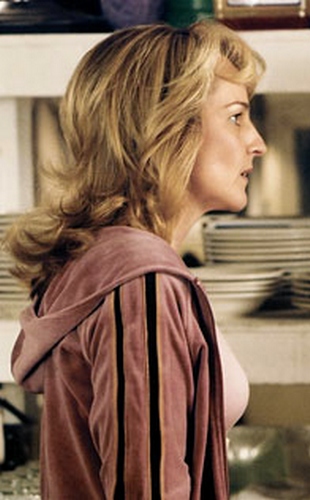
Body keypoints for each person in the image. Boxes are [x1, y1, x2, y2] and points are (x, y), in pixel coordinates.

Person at [4, 20, 266, 498]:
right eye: (236, 117)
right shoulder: (141, 285)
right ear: (167, 129)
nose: (257, 142)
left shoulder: (106, 262)